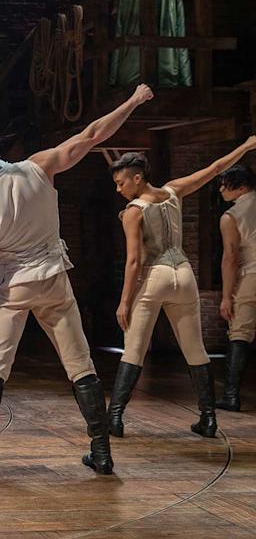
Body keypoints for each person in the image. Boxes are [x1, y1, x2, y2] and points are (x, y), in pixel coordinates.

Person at [0, 83, 154, 479]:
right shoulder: (38, 166)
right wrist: (133, 101)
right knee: (80, 364)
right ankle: (102, 453)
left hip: (11, 287)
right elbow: (92, 135)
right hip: (55, 281)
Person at [107, 141, 256, 437]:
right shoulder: (174, 190)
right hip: (184, 275)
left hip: (155, 275)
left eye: (120, 182)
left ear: (137, 178)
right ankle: (208, 419)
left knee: (134, 348)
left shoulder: (134, 211)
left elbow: (134, 261)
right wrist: (248, 145)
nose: (118, 189)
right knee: (195, 348)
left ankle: (115, 418)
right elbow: (214, 169)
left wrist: (124, 301)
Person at [217, 165, 256, 411]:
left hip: (252, 273)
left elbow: (230, 257)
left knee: (240, 332)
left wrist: (226, 296)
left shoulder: (232, 216)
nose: (221, 190)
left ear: (241, 188)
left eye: (225, 185)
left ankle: (231, 395)